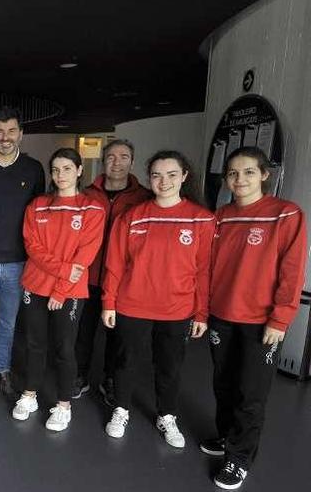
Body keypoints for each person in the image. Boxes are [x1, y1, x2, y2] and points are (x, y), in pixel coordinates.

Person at [202, 147, 307, 489]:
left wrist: (280, 319)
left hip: (261, 322)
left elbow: (292, 272)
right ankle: (227, 436)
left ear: (265, 175)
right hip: (221, 315)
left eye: (248, 172)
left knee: (251, 393)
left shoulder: (286, 215)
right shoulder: (220, 217)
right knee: (224, 383)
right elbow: (206, 268)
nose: (239, 179)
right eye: (232, 173)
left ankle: (240, 458)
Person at [102, 150, 213, 448]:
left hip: (177, 309)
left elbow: (204, 271)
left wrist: (201, 313)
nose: (163, 182)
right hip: (132, 304)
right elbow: (114, 263)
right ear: (148, 178)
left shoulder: (201, 219)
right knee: (125, 362)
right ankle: (121, 409)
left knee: (169, 366)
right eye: (156, 175)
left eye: (171, 174)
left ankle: (167, 415)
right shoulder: (132, 217)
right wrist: (108, 302)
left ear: (184, 176)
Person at [11, 148, 104, 431]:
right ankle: (30, 394)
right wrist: (63, 272)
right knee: (34, 344)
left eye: (66, 168)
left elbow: (85, 255)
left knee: (65, 348)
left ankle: (64, 404)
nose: (60, 175)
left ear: (78, 170)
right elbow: (33, 247)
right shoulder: (37, 206)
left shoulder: (92, 208)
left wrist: (61, 290)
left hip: (70, 292)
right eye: (55, 169)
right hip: (35, 285)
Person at [0, 105, 45, 408]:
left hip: (19, 263)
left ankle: (2, 370)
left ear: (21, 134)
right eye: (0, 131)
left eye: (12, 131)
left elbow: (40, 216)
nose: (6, 137)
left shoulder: (33, 169)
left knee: (7, 323)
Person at [73, 139, 151, 403]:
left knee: (118, 335)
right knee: (82, 331)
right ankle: (79, 375)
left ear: (132, 161)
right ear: (103, 160)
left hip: (123, 281)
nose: (117, 162)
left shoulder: (144, 198)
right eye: (111, 157)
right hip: (88, 277)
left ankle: (110, 379)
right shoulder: (86, 195)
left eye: (124, 157)